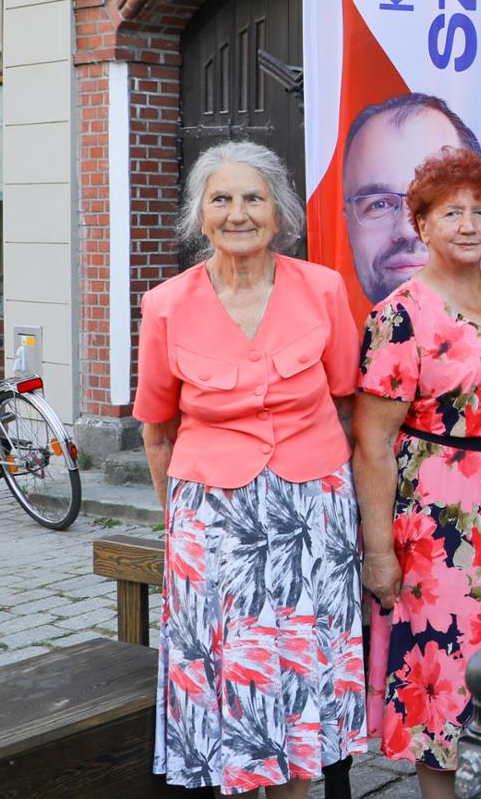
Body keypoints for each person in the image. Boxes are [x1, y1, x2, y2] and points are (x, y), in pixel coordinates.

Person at [135, 140, 366, 797]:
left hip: (311, 520)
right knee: (230, 692)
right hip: (213, 529)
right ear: (199, 215)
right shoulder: (166, 305)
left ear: (279, 211)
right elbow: (157, 431)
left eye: (253, 198)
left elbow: (350, 404)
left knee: (298, 686)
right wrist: (182, 526)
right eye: (222, 198)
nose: (239, 213)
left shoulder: (323, 290)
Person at [352, 148, 481, 799]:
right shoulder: (400, 314)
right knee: (445, 677)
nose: (469, 224)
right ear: (421, 224)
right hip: (441, 525)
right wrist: (380, 551)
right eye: (452, 212)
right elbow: (372, 445)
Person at [343, 92, 481, 304]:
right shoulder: (325, 330)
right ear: (348, 224)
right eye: (378, 204)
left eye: (434, 199)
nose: (407, 230)